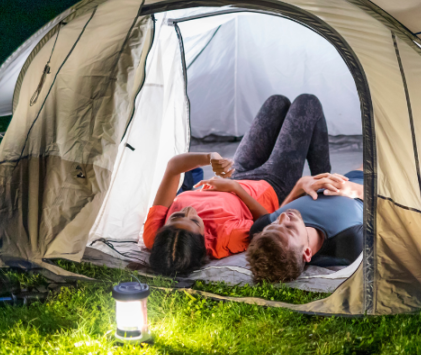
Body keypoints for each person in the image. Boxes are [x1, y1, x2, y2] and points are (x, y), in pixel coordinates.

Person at [143, 94, 333, 276]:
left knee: (277, 103)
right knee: (307, 103)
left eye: (176, 216)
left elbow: (173, 167)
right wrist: (235, 189)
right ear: (203, 242)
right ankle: (326, 188)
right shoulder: (224, 239)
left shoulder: (156, 236)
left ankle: (323, 186)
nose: (189, 211)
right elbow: (268, 221)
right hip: (272, 186)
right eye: (194, 221)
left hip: (236, 174)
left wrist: (209, 158)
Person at [247, 168, 365, 283]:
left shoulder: (263, 233)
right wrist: (358, 190)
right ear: (307, 253)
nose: (283, 216)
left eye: (275, 223)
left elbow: (281, 211)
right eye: (289, 228)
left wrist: (300, 185)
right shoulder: (351, 241)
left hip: (345, 177)